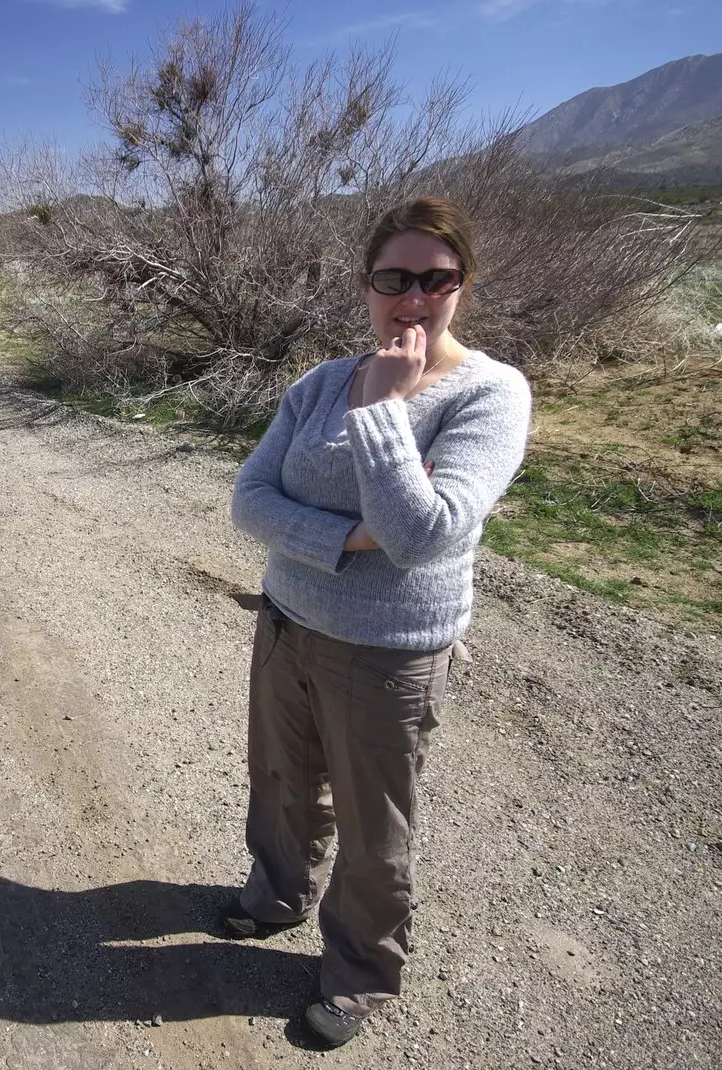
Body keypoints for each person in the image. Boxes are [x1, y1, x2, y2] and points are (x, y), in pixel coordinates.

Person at [226, 195, 532, 1047]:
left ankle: (359, 971)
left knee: (373, 826)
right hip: (288, 621)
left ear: (462, 286)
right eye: (394, 278)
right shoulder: (321, 382)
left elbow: (424, 533)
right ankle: (277, 892)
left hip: (389, 656)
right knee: (282, 782)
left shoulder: (491, 394)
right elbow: (250, 501)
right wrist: (344, 537)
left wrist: (388, 409)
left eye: (436, 280)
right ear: (365, 285)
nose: (413, 299)